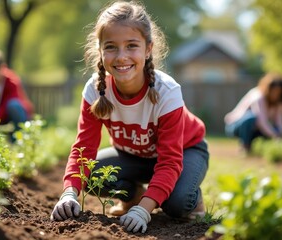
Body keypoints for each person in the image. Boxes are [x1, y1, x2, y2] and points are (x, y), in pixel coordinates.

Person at [50, 1, 208, 234]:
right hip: (134, 155)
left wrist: (144, 211)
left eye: (131, 45)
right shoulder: (95, 90)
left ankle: (191, 197)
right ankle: (134, 196)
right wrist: (69, 193)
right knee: (93, 175)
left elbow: (170, 162)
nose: (121, 57)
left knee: (177, 203)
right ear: (101, 50)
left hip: (185, 152)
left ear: (148, 49)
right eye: (111, 47)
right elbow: (83, 148)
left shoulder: (167, 91)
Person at [224, 73, 282, 151]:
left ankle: (262, 148)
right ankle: (245, 146)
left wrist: (280, 135)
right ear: (269, 89)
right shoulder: (258, 96)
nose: (275, 94)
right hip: (234, 126)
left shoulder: (278, 103)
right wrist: (275, 136)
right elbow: (261, 122)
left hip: (254, 129)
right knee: (252, 117)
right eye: (274, 91)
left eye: (278, 92)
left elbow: (279, 123)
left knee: (271, 129)